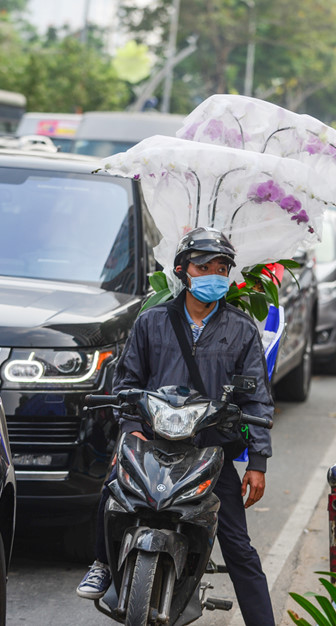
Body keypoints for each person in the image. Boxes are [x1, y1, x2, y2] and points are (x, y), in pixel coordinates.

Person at [76, 227, 276, 625]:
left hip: (208, 452)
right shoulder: (152, 322)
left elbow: (256, 399)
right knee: (112, 491)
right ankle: (101, 562)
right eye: (204, 266)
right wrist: (130, 425)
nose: (213, 274)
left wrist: (258, 460)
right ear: (184, 271)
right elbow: (127, 382)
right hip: (151, 443)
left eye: (221, 267)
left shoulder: (241, 329)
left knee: (238, 545)